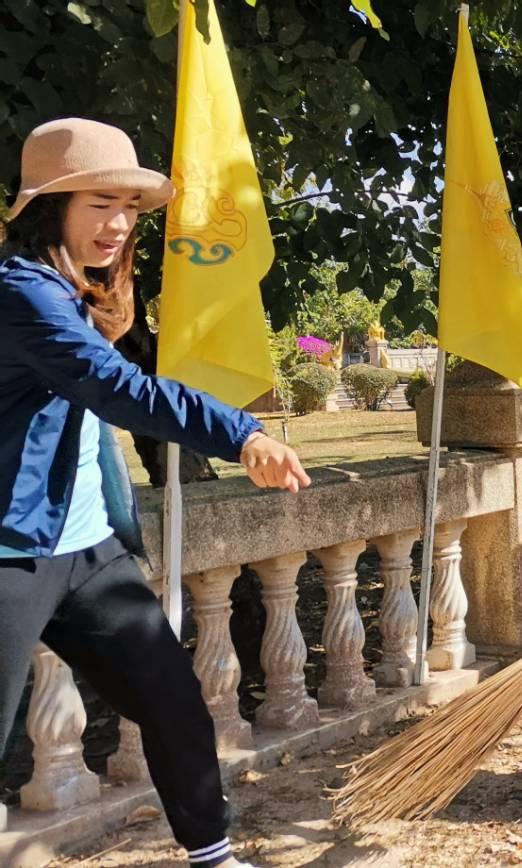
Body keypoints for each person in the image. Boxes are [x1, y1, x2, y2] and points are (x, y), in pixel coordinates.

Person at [0, 118, 309, 868]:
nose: (117, 224)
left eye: (129, 208)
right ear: (51, 207)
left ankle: (213, 856)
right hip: (10, 551)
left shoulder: (72, 289)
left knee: (173, 703)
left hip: (84, 551)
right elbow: (116, 388)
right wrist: (242, 434)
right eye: (100, 203)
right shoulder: (20, 292)